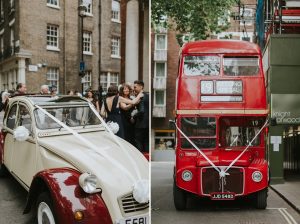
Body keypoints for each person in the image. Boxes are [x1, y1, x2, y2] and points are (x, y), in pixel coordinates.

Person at [133, 80, 149, 153]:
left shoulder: (141, 97)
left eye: (135, 87)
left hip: (140, 124)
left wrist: (133, 116)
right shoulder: (147, 95)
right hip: (147, 123)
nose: (134, 89)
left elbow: (142, 111)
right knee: (146, 142)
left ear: (141, 87)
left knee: (138, 141)